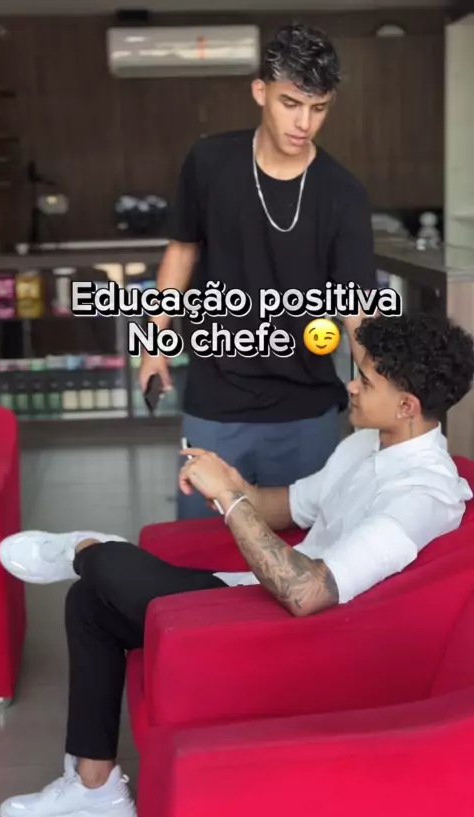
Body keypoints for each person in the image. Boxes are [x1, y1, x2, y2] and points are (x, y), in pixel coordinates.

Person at [0, 312, 474, 817]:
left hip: (299, 634)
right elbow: (285, 507)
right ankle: (95, 793)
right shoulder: (366, 445)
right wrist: (234, 484)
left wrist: (228, 500)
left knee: (108, 565)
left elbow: (309, 593)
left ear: (407, 406)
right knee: (91, 603)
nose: (351, 387)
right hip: (263, 593)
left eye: (366, 380)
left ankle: (87, 549)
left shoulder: (421, 496)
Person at [139, 23, 377, 519]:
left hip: (306, 407)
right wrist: (153, 345)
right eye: (291, 103)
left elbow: (357, 308)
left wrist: (381, 388)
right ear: (260, 91)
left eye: (319, 108)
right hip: (215, 399)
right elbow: (181, 253)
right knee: (204, 545)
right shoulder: (209, 162)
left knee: (307, 547)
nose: (304, 123)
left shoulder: (343, 193)